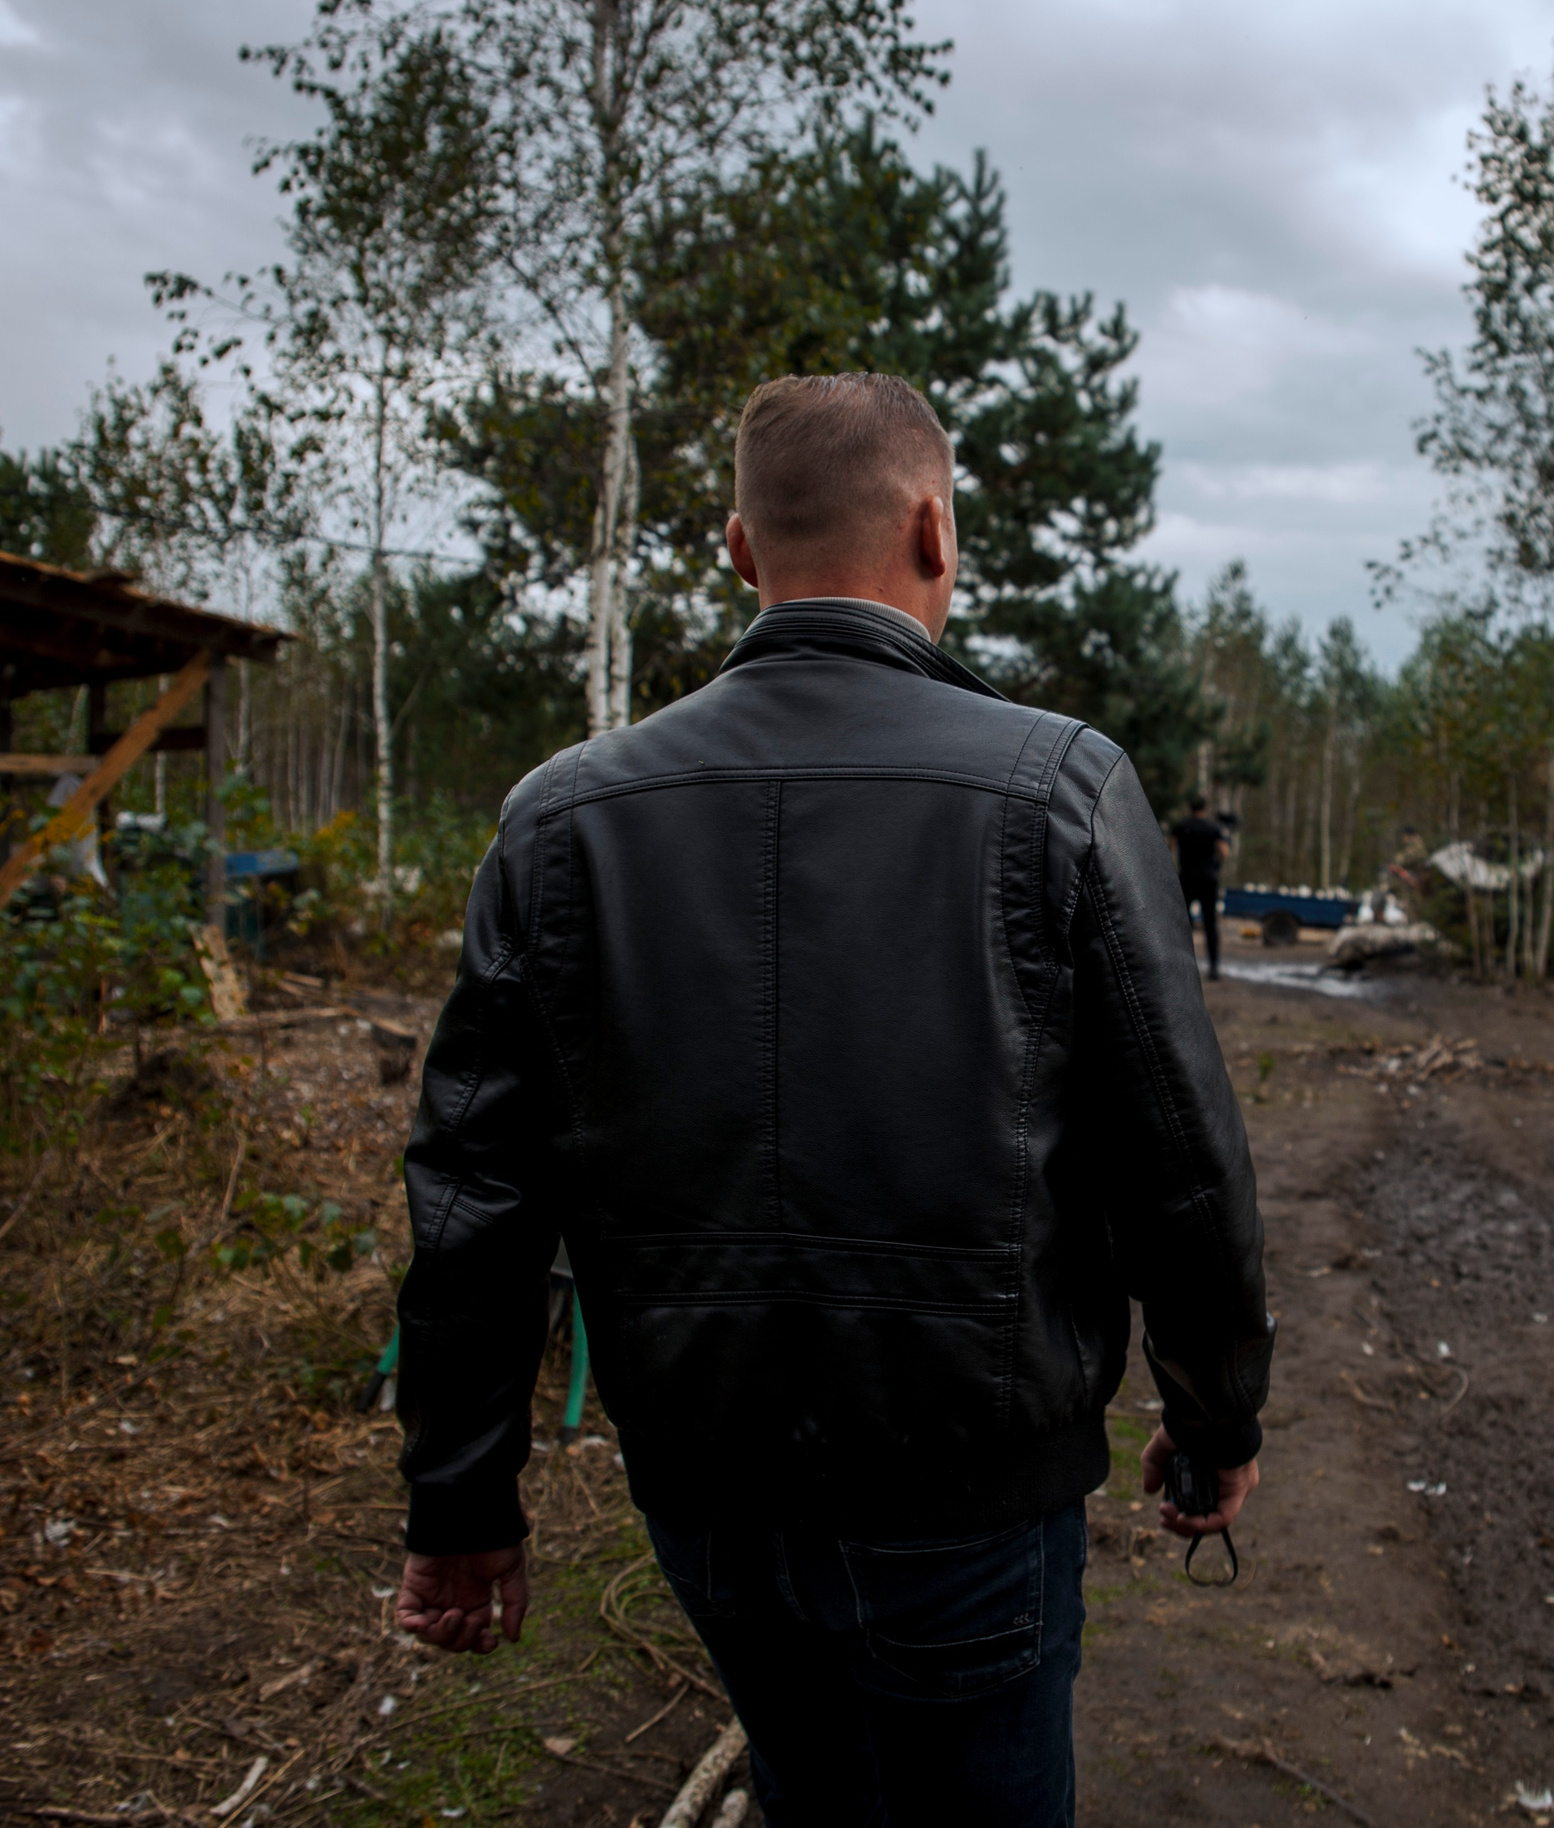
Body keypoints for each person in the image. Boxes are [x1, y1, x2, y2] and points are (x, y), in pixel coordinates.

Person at [390, 374, 1272, 1827]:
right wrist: (1216, 1410)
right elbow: (1178, 1161)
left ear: (740, 549)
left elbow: (475, 1201)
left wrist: (462, 1509)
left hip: (707, 1498)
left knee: (810, 1784)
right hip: (972, 1501)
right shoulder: (1059, 788)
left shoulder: (564, 818)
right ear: (936, 531)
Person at [1168, 792, 1231, 980]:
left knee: (1181, 925)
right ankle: (1213, 968)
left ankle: (1180, 967)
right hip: (1208, 880)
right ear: (1205, 807)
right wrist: (1215, 864)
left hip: (1186, 878)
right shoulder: (1213, 828)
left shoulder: (1181, 826)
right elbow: (1224, 852)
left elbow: (1168, 847)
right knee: (1210, 925)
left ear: (1190, 807)